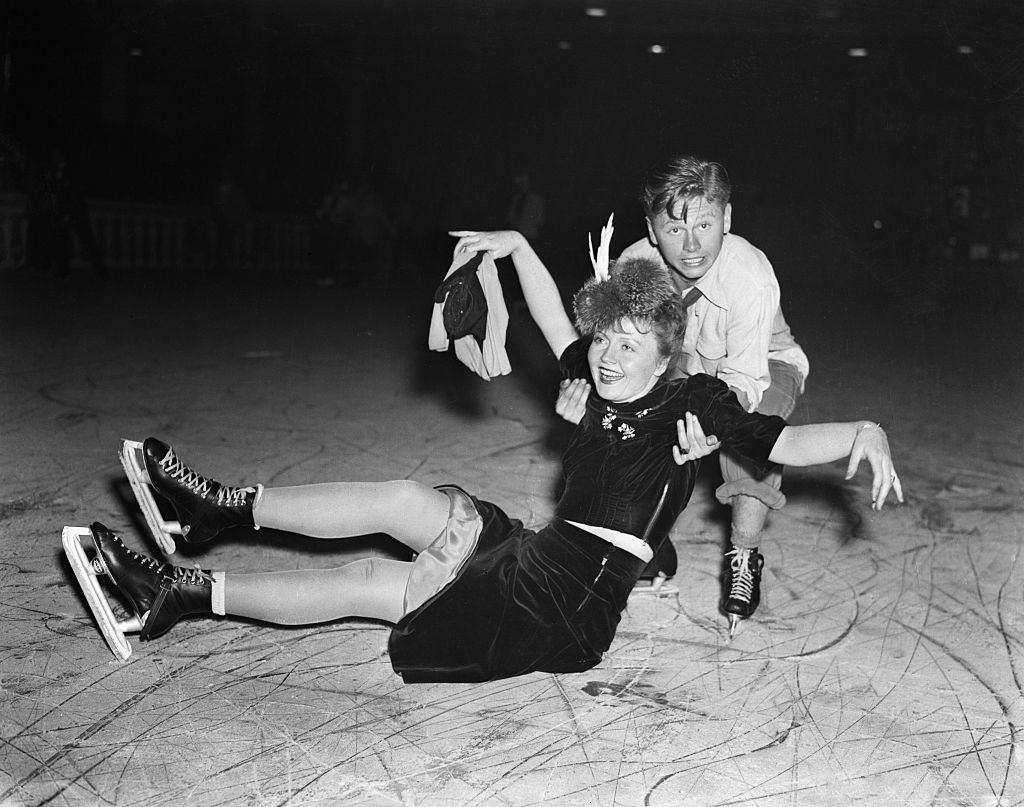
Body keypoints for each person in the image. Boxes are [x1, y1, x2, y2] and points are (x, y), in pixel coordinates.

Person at [77, 229, 900, 683]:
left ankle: (180, 595)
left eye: (630, 343)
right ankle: (217, 509)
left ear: (666, 354)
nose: (608, 356)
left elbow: (781, 441)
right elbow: (550, 324)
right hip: (540, 554)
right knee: (407, 498)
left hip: (567, 607)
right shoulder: (597, 378)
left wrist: (861, 432)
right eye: (605, 337)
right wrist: (514, 246)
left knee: (380, 583)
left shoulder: (694, 400)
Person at [557, 155, 809, 632]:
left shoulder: (750, 278)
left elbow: (744, 384)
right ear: (651, 230)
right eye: (674, 229)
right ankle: (646, 541)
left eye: (706, 225)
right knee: (630, 423)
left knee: (749, 446)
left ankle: (745, 555)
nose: (692, 246)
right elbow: (611, 355)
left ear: (727, 219)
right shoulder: (632, 266)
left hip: (761, 366)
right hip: (682, 363)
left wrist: (711, 431)